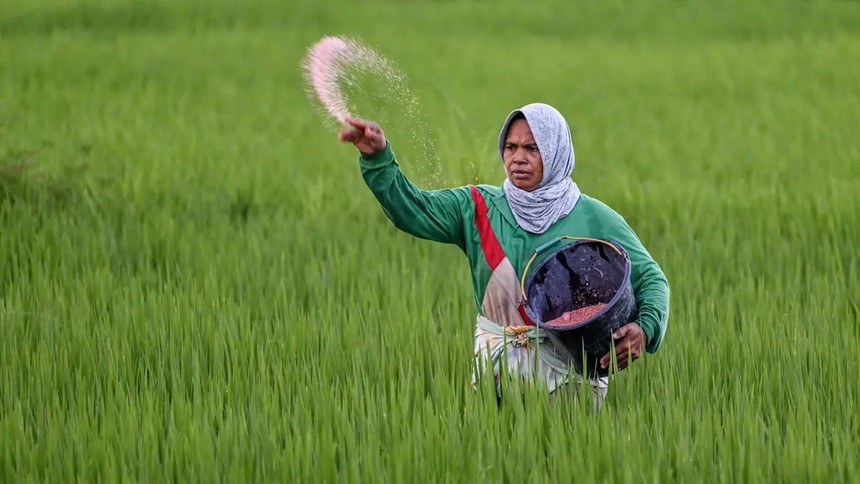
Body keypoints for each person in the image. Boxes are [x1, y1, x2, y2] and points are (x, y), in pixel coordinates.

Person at [339, 102, 670, 408]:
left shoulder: (594, 218)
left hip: (572, 385)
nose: (518, 158)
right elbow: (411, 210)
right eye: (510, 147)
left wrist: (644, 328)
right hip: (495, 377)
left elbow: (652, 279)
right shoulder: (478, 208)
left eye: (532, 148)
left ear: (556, 152)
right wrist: (379, 159)